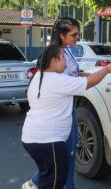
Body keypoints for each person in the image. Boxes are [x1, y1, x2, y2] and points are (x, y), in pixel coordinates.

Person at [22, 44, 111, 189]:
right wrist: (106, 69)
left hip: (32, 139)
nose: (66, 62)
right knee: (55, 183)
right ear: (54, 61)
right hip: (49, 141)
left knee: (47, 178)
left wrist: (100, 70)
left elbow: (81, 76)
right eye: (63, 58)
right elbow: (90, 82)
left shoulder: (40, 76)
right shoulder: (57, 80)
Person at [23, 17, 89, 189]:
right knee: (67, 154)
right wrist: (101, 74)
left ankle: (36, 182)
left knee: (70, 151)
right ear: (62, 35)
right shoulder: (55, 54)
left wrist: (91, 75)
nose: (77, 38)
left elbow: (74, 75)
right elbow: (58, 80)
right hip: (59, 111)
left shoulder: (67, 51)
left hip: (68, 107)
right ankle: (41, 183)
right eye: (74, 35)